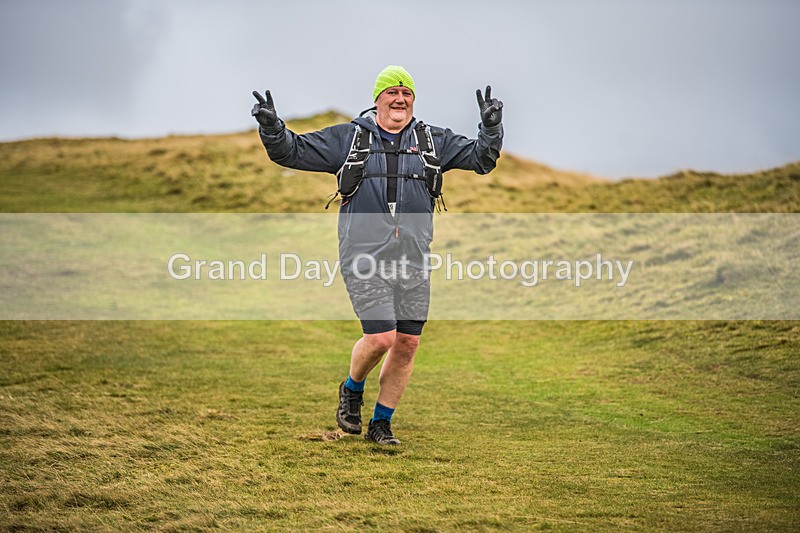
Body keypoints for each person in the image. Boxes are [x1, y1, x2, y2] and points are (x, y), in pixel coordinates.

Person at [252, 65, 503, 445]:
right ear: (378, 99)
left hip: (414, 258)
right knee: (383, 337)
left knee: (408, 343)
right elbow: (293, 152)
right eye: (392, 93)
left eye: (407, 94)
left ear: (413, 101)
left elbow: (482, 160)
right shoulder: (349, 138)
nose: (400, 99)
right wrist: (273, 129)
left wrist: (490, 129)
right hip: (363, 256)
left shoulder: (433, 140)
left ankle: (381, 424)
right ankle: (352, 389)